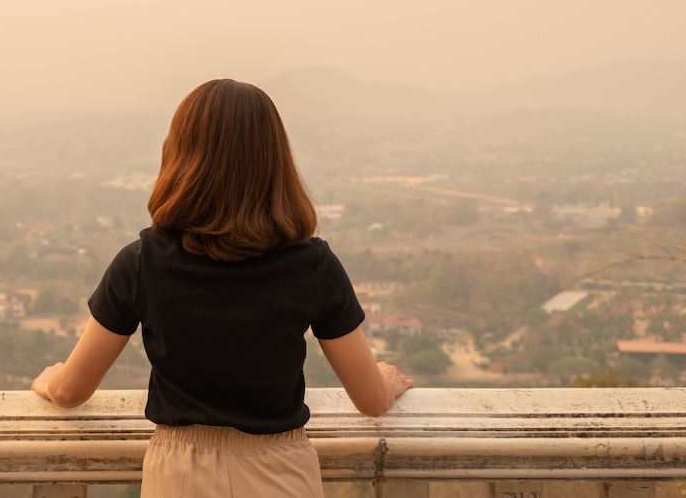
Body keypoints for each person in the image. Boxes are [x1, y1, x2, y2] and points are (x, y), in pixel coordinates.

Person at [31, 79, 413, 497]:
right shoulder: (313, 265)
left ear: (179, 155)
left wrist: (49, 380)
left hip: (180, 475)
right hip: (282, 472)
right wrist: (386, 381)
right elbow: (372, 402)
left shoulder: (141, 263)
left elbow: (70, 391)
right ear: (274, 160)